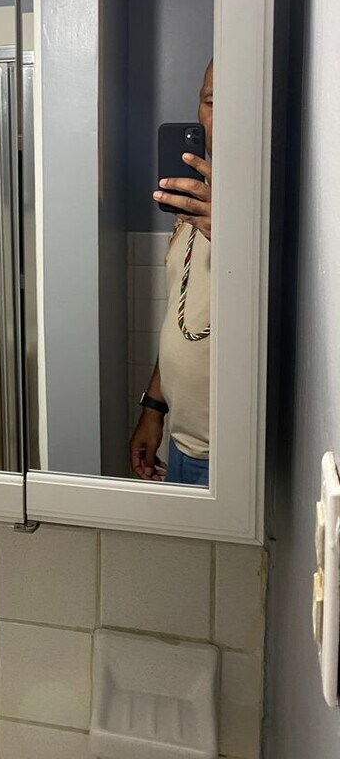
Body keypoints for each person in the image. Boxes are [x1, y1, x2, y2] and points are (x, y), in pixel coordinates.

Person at [129, 60, 213, 487]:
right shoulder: (189, 212)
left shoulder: (276, 205)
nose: (221, 118)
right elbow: (181, 319)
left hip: (227, 454)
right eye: (211, 102)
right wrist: (153, 408)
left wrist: (234, 231)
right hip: (183, 443)